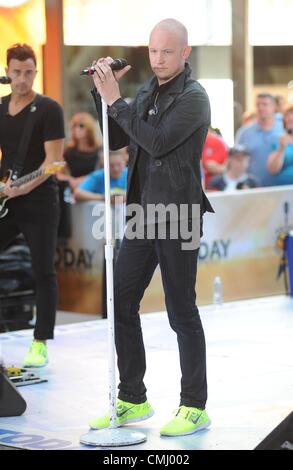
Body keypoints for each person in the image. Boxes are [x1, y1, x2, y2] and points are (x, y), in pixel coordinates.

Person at [89, 18, 214, 437]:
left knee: (182, 311)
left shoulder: (194, 98)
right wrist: (101, 94)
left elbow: (157, 141)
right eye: (152, 51)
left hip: (178, 214)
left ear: (184, 53)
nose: (157, 59)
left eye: (166, 52)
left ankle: (194, 406)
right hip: (141, 214)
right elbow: (116, 140)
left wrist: (116, 101)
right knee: (120, 301)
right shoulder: (146, 91)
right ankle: (132, 397)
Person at [0, 43, 65, 367]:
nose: (22, 79)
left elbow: (54, 163)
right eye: (16, 72)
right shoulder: (0, 107)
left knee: (43, 269)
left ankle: (40, 341)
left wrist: (21, 188)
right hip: (7, 197)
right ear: (7, 71)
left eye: (28, 72)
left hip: (39, 199)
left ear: (35, 72)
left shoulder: (49, 109)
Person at [235, 93, 284, 187]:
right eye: (258, 105)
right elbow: (237, 159)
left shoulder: (283, 129)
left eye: (265, 104)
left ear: (274, 107)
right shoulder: (244, 132)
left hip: (280, 189)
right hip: (253, 189)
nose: (260, 108)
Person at [60, 112, 101, 191]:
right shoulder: (68, 152)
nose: (77, 129)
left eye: (81, 126)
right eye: (74, 126)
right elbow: (58, 174)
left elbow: (107, 171)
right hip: (77, 191)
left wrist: (85, 179)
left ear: (89, 128)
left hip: (97, 189)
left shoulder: (99, 150)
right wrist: (71, 180)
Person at [267, 105, 293, 185]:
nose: (290, 118)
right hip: (283, 190)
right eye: (287, 116)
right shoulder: (278, 140)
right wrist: (281, 148)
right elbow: (273, 169)